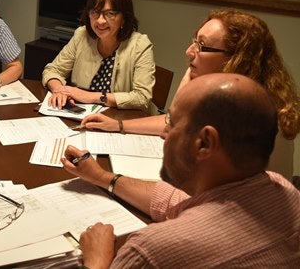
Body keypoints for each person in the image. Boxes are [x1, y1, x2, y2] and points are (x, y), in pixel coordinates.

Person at [63, 73, 300, 268]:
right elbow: (176, 201)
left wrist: (97, 260)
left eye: (173, 123)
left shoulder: (151, 251)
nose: (164, 134)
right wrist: (101, 177)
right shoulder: (286, 192)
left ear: (204, 142)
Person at [80, 9, 300, 178]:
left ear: (235, 60)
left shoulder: (246, 115)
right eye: (195, 41)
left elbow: (176, 167)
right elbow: (170, 122)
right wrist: (118, 125)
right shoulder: (227, 96)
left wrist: (185, 92)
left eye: (202, 46)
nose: (189, 51)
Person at [42, 0, 155, 113]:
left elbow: (142, 98)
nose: (100, 21)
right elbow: (53, 70)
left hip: (123, 119)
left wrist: (92, 97)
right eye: (95, 12)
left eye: (110, 14)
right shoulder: (82, 35)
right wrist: (60, 90)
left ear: (124, 18)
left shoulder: (140, 45)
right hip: (80, 114)